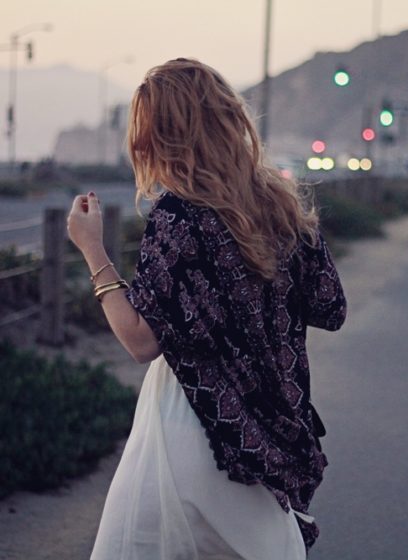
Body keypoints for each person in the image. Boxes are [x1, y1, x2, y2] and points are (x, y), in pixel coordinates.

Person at [66, 57, 347, 559]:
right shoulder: (281, 205)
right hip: (265, 436)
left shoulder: (176, 216)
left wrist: (93, 251)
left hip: (188, 431)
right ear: (224, 120)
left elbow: (140, 340)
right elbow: (331, 306)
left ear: (159, 137)